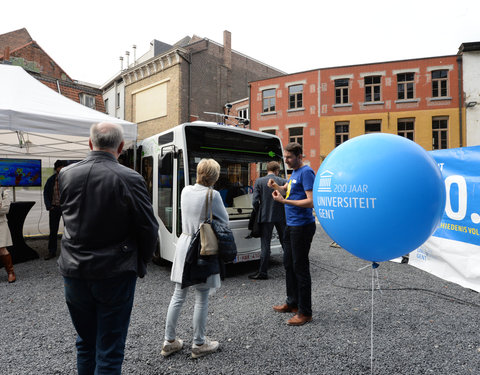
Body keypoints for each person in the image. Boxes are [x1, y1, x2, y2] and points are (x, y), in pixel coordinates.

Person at [58, 122, 159, 374]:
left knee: (85, 342)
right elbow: (148, 228)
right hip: (114, 271)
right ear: (121, 147)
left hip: (74, 270)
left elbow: (70, 216)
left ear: (90, 143)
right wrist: (141, 263)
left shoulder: (66, 174)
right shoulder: (130, 177)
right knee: (110, 350)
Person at [162, 158, 228, 359]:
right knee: (202, 297)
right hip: (202, 248)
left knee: (178, 295)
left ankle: (169, 341)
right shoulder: (213, 195)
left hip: (184, 244)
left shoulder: (185, 191)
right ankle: (198, 343)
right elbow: (224, 221)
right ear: (214, 177)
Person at [268, 142, 316, 326]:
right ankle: (292, 303)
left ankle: (305, 312)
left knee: (300, 268)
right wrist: (277, 187)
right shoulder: (294, 173)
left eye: (289, 157)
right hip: (291, 225)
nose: (285, 160)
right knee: (288, 264)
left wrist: (284, 202)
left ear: (299, 156)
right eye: (285, 157)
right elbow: (288, 188)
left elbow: (311, 201)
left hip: (302, 227)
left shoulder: (306, 172)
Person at [248, 161, 287, 280]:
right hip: (281, 216)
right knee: (285, 243)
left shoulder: (259, 181)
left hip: (265, 216)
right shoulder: (283, 181)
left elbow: (255, 201)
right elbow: (286, 196)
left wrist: (259, 209)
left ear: (267, 169)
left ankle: (263, 272)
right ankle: (290, 270)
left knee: (265, 245)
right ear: (277, 170)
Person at [43, 159, 67, 260]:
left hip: (67, 209)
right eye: (59, 167)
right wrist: (49, 206)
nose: (61, 169)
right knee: (53, 231)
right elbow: (45, 193)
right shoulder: (51, 180)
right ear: (56, 168)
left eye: (62, 167)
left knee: (69, 231)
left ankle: (68, 251)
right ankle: (52, 251)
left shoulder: (69, 179)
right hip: (54, 208)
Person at [0, 187, 16, 283]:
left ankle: (11, 272)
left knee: (2, 249)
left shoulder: (4, 190)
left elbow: (5, 209)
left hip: (0, 224)